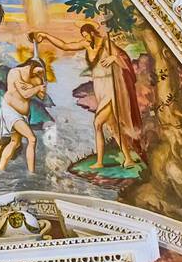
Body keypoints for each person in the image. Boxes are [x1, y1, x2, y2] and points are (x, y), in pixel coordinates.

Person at [31, 23, 143, 169]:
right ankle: (126, 159)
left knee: (98, 123)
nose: (85, 38)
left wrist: (114, 59)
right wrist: (45, 36)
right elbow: (65, 45)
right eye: (83, 36)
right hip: (99, 87)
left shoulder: (105, 42)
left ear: (92, 33)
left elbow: (121, 57)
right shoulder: (86, 45)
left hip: (111, 86)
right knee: (112, 127)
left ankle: (101, 161)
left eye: (86, 35)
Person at [0, 58, 47, 174]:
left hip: (23, 114)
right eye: (39, 70)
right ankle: (31, 173)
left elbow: (42, 97)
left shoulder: (37, 79)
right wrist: (36, 88)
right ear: (30, 64)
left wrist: (42, 87)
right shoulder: (15, 73)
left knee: (15, 142)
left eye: (41, 72)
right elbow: (24, 94)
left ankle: (1, 169)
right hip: (10, 110)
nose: (40, 73)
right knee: (32, 139)